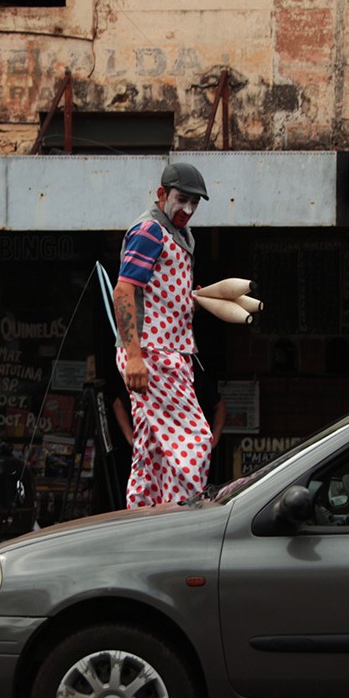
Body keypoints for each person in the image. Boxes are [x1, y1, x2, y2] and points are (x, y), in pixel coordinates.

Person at [112, 162, 213, 508]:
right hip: (154, 352)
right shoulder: (150, 231)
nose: (187, 209)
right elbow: (124, 291)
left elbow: (155, 292)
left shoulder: (179, 235)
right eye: (181, 199)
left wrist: (189, 302)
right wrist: (135, 356)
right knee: (196, 441)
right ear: (161, 194)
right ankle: (185, 524)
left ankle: (144, 517)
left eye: (194, 203)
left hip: (168, 349)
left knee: (152, 451)